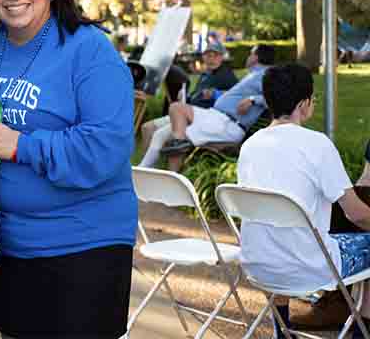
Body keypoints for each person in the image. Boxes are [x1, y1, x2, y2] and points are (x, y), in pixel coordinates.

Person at [0, 0, 137, 339]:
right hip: (9, 246)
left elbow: (106, 146)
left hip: (81, 246)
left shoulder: (88, 49)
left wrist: (21, 146)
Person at [237, 64, 370, 339]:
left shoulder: (250, 145)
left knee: (277, 238)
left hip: (258, 263)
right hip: (310, 267)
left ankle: (281, 332)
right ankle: (360, 332)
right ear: (304, 103)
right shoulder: (317, 144)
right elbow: (356, 214)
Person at [139, 44, 276, 171]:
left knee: (176, 110)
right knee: (169, 134)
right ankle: (151, 171)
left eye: (250, 53)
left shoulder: (263, 75)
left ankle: (156, 169)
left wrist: (253, 100)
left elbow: (275, 97)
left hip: (226, 123)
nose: (248, 56)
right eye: (208, 54)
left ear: (255, 57)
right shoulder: (253, 75)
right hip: (216, 119)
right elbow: (234, 96)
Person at [138, 41, 239, 158]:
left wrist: (216, 94)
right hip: (185, 111)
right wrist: (187, 96)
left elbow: (234, 98)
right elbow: (198, 95)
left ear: (221, 57)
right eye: (208, 55)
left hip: (200, 119)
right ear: (203, 57)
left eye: (215, 55)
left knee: (159, 135)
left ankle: (147, 168)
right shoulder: (207, 74)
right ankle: (147, 164)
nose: (211, 59)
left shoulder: (226, 76)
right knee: (147, 127)